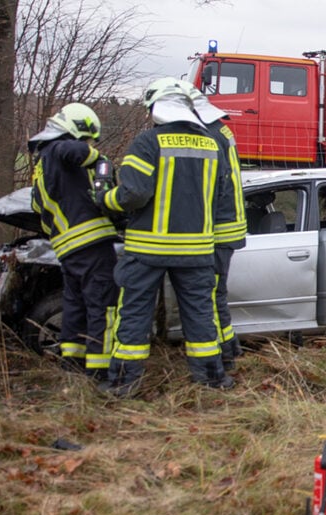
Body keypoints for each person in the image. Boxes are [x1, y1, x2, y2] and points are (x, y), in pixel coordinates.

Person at [95, 77, 232, 397]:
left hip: (148, 249)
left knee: (133, 316)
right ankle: (211, 380)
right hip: (197, 249)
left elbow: (133, 194)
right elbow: (221, 193)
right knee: (200, 316)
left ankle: (122, 384)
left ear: (155, 108)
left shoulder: (148, 142)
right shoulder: (212, 144)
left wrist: (105, 200)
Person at [28, 103, 118, 379]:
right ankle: (100, 369)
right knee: (102, 305)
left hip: (67, 249)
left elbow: (37, 209)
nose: (88, 144)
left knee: (75, 304)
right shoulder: (61, 148)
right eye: (87, 138)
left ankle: (71, 361)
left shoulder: (41, 164)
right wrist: (102, 165)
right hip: (91, 244)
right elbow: (79, 152)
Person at [183, 81, 247, 372]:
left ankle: (225, 354)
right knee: (216, 294)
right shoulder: (221, 129)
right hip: (230, 224)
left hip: (219, 226)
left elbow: (212, 185)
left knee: (211, 295)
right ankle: (229, 347)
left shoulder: (208, 134)